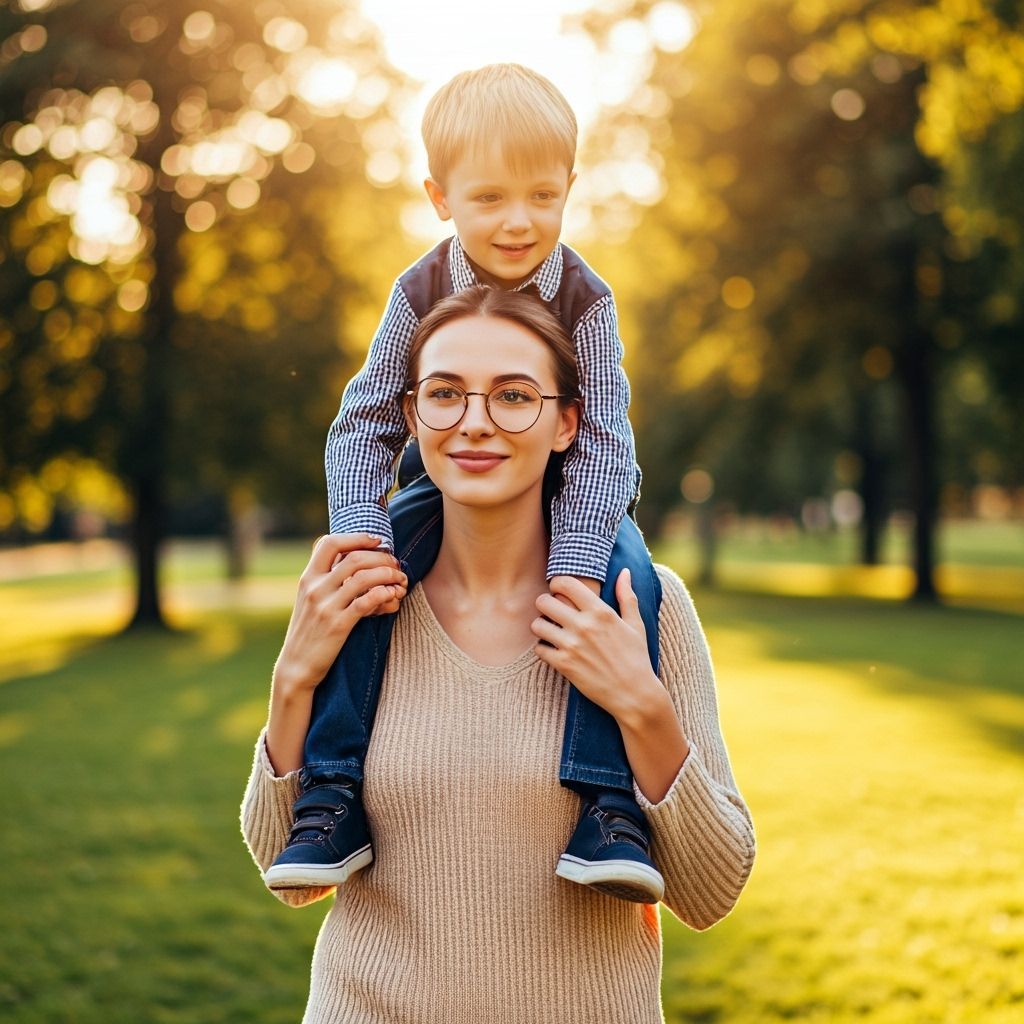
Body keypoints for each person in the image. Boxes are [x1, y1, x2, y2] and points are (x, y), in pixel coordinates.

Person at [241, 287, 755, 1023]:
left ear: (567, 424)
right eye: (445, 394)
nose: (474, 424)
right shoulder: (357, 601)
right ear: (412, 416)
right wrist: (293, 680)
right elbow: (286, 876)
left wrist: (641, 707)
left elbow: (711, 896)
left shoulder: (643, 607)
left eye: (514, 396)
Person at [266, 64, 663, 902]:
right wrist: (363, 534)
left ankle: (609, 804)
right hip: (442, 490)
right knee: (363, 580)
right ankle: (331, 793)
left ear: (569, 189)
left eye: (541, 196)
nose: (519, 222)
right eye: (489, 199)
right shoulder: (418, 292)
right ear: (441, 196)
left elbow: (602, 440)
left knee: (628, 576)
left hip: (576, 495)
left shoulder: (587, 300)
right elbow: (362, 423)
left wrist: (577, 559)